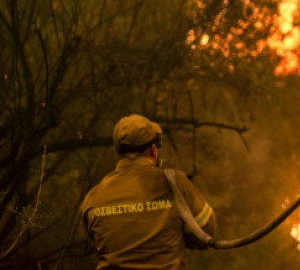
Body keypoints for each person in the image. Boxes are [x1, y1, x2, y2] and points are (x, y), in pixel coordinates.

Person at [80, 114, 216, 269]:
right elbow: (206, 231)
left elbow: (96, 244)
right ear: (153, 150)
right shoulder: (174, 183)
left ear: (118, 152)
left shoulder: (93, 197)